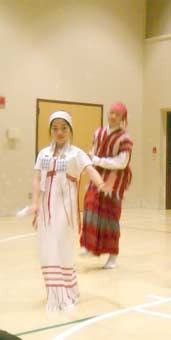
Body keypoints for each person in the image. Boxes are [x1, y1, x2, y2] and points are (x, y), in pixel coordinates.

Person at [32, 111, 112, 311]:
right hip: (45, 211)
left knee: (61, 248)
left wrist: (101, 184)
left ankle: (68, 293)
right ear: (50, 130)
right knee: (47, 250)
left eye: (64, 128)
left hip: (65, 212)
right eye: (55, 128)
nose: (59, 132)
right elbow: (36, 179)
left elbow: (90, 169)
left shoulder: (76, 153)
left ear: (70, 130)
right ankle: (54, 294)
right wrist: (35, 204)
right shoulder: (43, 154)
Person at [79, 102, 133, 269]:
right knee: (90, 206)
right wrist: (89, 159)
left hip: (114, 181)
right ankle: (90, 245)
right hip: (97, 176)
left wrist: (98, 160)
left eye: (117, 114)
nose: (112, 116)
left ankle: (112, 255)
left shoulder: (125, 138)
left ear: (122, 117)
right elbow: (94, 151)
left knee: (110, 217)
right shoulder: (98, 133)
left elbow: (122, 162)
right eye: (111, 113)